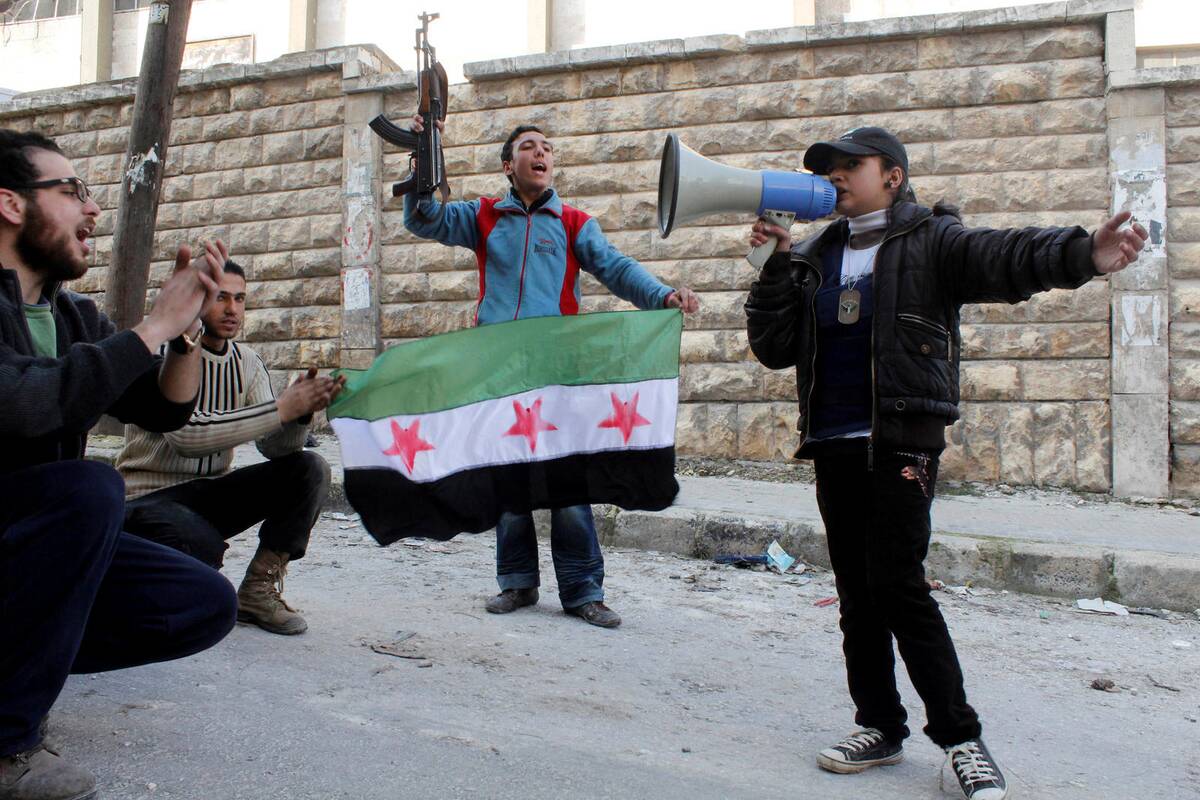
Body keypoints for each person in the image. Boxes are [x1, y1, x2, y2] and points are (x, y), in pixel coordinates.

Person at [743, 126, 1147, 800]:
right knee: (856, 593)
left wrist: (1083, 253)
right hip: (835, 441)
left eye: (851, 165)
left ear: (892, 176)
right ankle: (879, 725)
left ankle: (961, 740)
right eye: (828, 167)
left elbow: (1009, 257)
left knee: (897, 584)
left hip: (903, 436)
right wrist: (773, 267)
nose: (835, 175)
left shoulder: (933, 239)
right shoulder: (812, 255)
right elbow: (774, 348)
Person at [0, 129, 237, 800]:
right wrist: (150, 327)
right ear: (11, 204)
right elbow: (26, 402)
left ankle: (19, 676)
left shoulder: (72, 314)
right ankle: (7, 743)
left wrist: (183, 334)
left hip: (30, 553)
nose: (93, 208)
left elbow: (161, 409)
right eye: (71, 191)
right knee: (89, 489)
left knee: (200, 601)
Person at [404, 117, 700, 628]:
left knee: (567, 485)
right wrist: (422, 151)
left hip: (557, 372)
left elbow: (616, 268)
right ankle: (517, 582)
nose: (540, 153)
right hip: (499, 372)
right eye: (528, 146)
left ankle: (584, 591)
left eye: (547, 147)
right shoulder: (483, 216)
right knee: (509, 480)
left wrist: (662, 296)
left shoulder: (573, 223)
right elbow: (424, 218)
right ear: (509, 165)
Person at [118, 258, 342, 636]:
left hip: (208, 498)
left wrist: (298, 416)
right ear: (196, 298)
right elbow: (187, 437)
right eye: (220, 297)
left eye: (239, 299)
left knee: (310, 468)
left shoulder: (248, 363)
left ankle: (257, 591)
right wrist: (279, 409)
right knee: (198, 549)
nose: (231, 309)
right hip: (146, 501)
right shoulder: (160, 354)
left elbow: (275, 448)